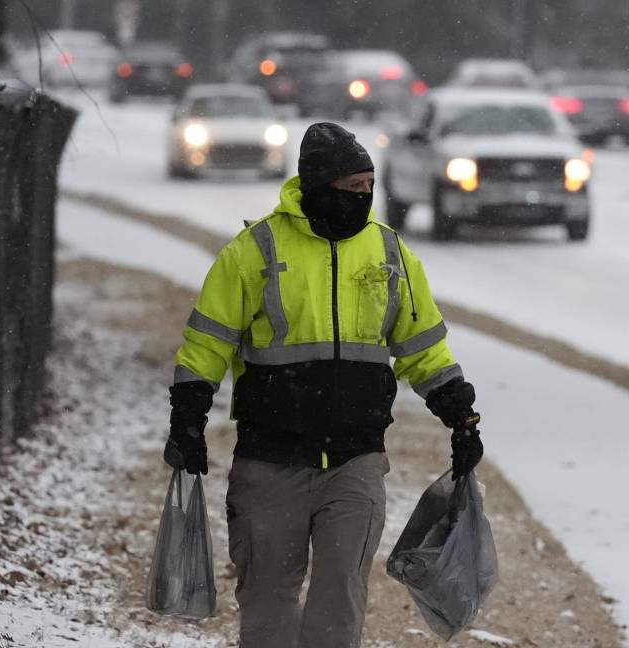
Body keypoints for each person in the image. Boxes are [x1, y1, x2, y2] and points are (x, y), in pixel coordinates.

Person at [162, 122, 484, 648]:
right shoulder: (255, 251)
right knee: (268, 600)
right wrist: (187, 418)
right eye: (351, 188)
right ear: (316, 187)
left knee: (341, 599)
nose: (362, 199)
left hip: (356, 464)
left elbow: (423, 347)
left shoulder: (389, 253)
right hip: (270, 464)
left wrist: (460, 416)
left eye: (368, 188)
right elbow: (207, 343)